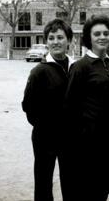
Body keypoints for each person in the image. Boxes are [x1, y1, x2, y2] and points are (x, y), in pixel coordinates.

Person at [64, 14, 109, 201]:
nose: (102, 37)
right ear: (89, 38)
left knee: (105, 185)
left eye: (106, 33)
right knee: (88, 189)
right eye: (97, 33)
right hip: (87, 142)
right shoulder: (80, 67)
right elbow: (70, 107)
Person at [22, 19, 75, 201]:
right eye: (51, 38)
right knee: (44, 183)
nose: (55, 42)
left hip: (71, 137)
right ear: (46, 41)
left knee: (71, 181)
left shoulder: (76, 69)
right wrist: (47, 126)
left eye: (60, 37)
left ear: (69, 40)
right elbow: (28, 106)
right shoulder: (39, 71)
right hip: (45, 137)